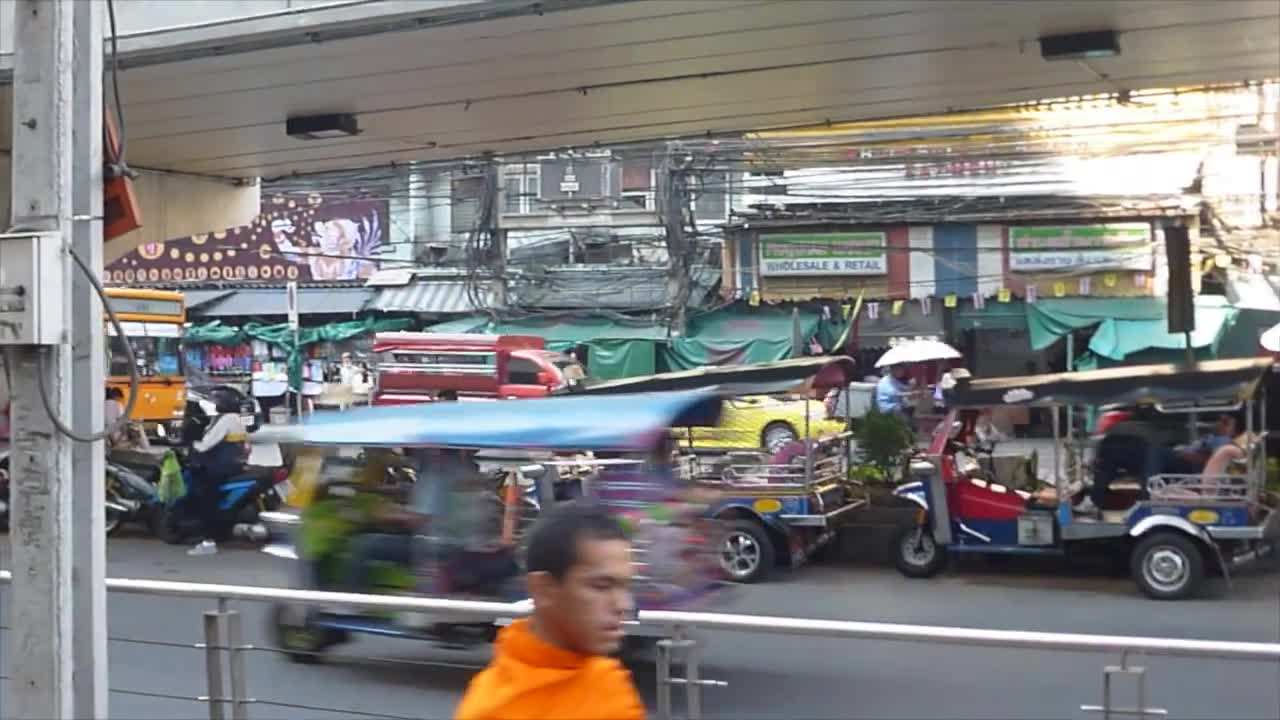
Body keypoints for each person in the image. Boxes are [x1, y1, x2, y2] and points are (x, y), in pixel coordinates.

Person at [454, 502, 643, 720]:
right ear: (543, 589)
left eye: (625, 586)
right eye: (601, 586)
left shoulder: (610, 682)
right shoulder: (495, 709)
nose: (623, 605)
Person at [186, 389, 249, 556]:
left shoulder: (225, 420)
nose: (216, 405)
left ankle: (208, 541)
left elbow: (207, 444)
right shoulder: (238, 419)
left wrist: (192, 445)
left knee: (205, 500)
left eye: (218, 402)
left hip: (218, 467)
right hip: (235, 465)